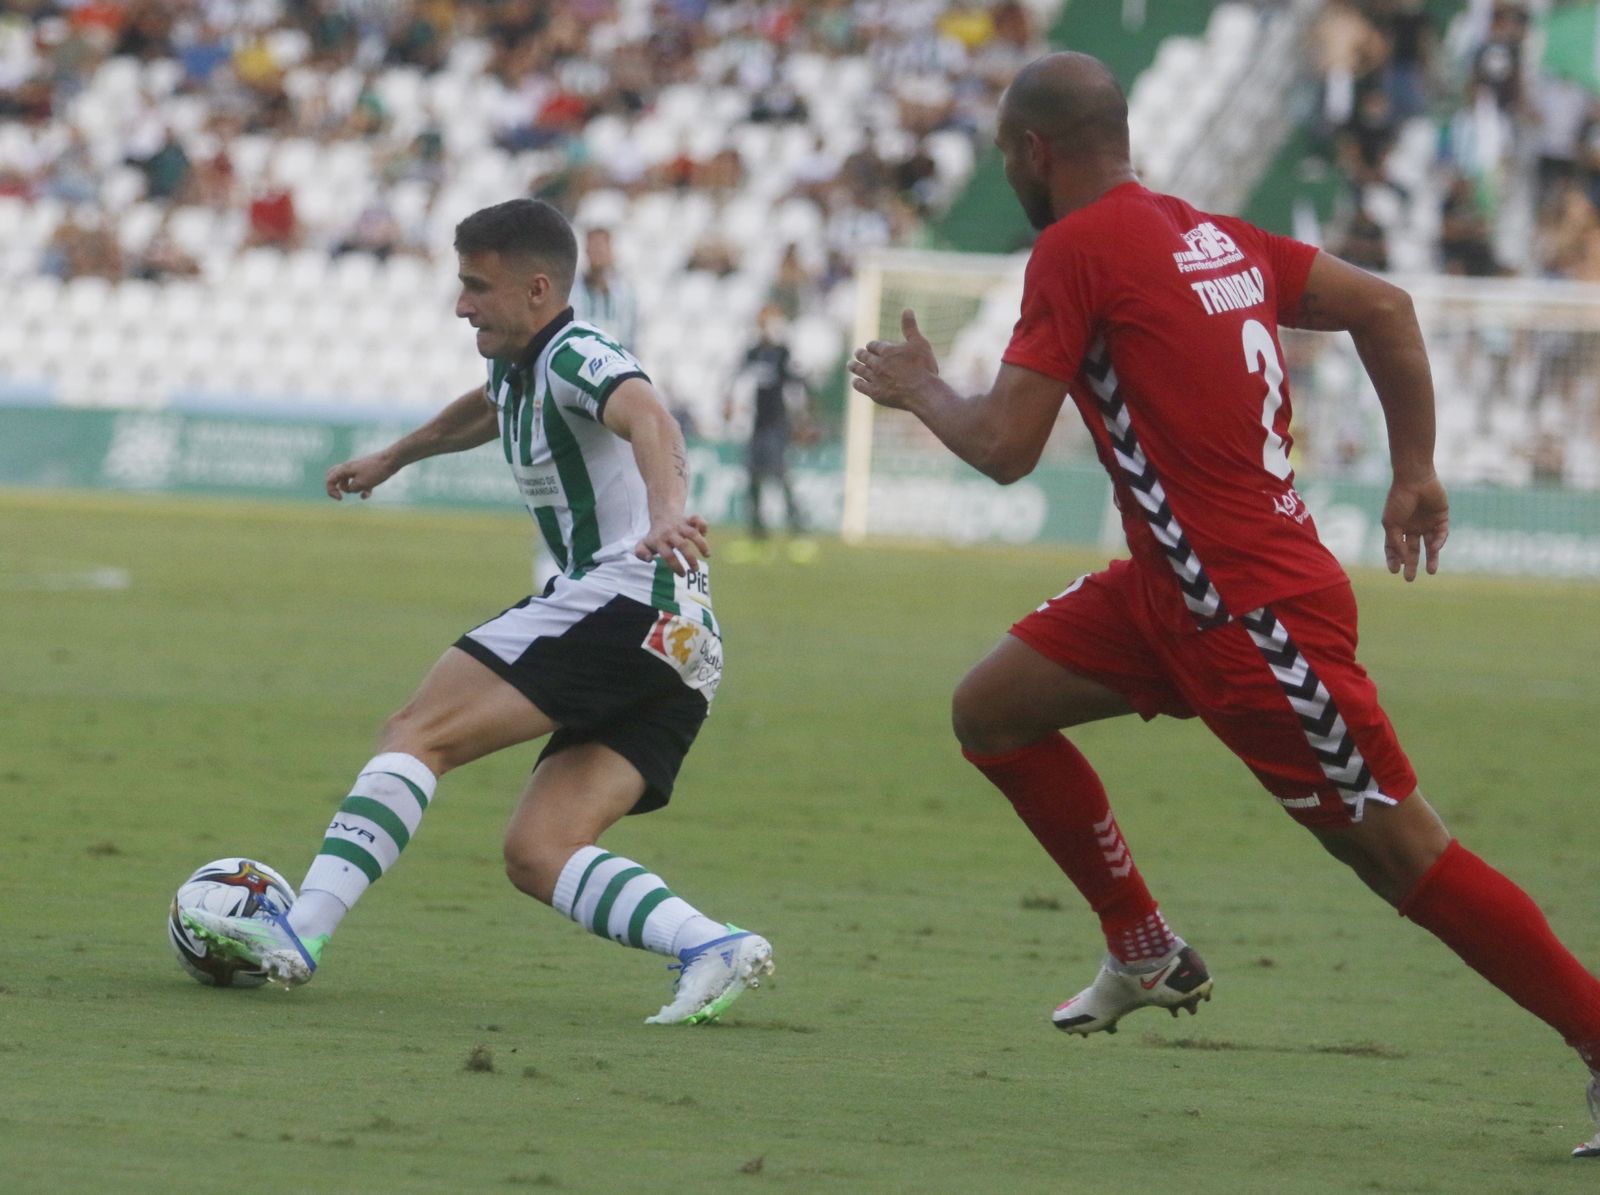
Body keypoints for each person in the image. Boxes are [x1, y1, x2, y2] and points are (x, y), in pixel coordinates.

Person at [848, 51, 1600, 1158]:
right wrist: (1414, 471)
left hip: (1253, 619)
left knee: (1399, 851)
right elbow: (1384, 307)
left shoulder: (1074, 247)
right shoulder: (1214, 235)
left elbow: (1007, 448)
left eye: (1008, 153)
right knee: (992, 709)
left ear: (1030, 152)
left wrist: (922, 391)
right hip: (1170, 591)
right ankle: (1142, 945)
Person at [182, 198, 773, 1026]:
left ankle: (301, 931)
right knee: (540, 852)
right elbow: (486, 406)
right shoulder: (519, 365)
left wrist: (667, 509)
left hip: (625, 593)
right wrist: (397, 455)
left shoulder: (579, 352)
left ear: (537, 289)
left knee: (416, 732)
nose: (462, 305)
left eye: (476, 288)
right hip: (683, 641)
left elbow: (651, 415)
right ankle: (712, 944)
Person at [728, 302, 810, 540]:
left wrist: (801, 420)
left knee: (779, 475)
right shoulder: (751, 352)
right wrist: (731, 405)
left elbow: (796, 388)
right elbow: (737, 382)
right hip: (754, 424)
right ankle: (758, 535)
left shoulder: (783, 353)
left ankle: (797, 532)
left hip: (776, 424)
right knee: (753, 479)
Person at [571, 226, 640, 350]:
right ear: (586, 250)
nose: (597, 253)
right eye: (593, 247)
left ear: (611, 251)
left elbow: (630, 336)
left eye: (601, 247)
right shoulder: (573, 290)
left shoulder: (625, 293)